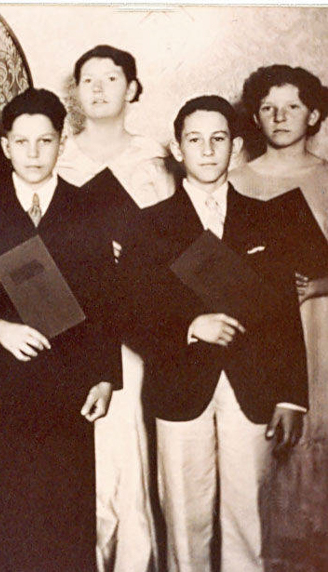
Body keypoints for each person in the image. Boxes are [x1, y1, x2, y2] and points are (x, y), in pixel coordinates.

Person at [120, 95, 307, 572]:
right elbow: (131, 310)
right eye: (195, 140)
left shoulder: (268, 218)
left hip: (254, 383)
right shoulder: (148, 225)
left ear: (236, 146)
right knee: (185, 519)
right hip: (179, 385)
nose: (207, 150)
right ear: (178, 149)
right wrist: (188, 326)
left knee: (250, 519)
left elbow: (284, 311)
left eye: (218, 139)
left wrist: (291, 397)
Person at [0, 88, 120, 571]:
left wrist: (105, 377)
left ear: (61, 142)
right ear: (5, 146)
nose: (34, 153)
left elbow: (106, 299)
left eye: (45, 141)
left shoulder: (88, 207)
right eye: (22, 142)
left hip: (65, 386)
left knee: (60, 515)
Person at [58, 45, 173, 572]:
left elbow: (176, 247)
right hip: (63, 323)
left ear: (132, 89)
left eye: (112, 78)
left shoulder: (154, 161)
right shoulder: (56, 154)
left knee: (123, 447)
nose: (99, 88)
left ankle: (129, 559)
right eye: (88, 79)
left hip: (128, 328)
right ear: (76, 92)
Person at [229, 64, 328, 571]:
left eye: (292, 106)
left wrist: (317, 285)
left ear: (313, 113)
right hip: (257, 338)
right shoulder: (234, 177)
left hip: (319, 331)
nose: (280, 116)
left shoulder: (326, 177)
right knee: (258, 459)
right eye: (269, 107)